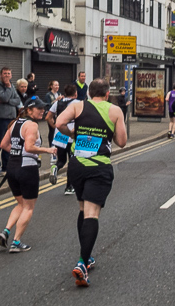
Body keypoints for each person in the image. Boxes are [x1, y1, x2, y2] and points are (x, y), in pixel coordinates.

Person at [54, 78, 128, 286]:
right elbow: (122, 142)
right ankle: (82, 263)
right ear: (106, 94)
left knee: (82, 209)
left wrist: (74, 133)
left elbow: (59, 123)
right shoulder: (114, 111)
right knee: (92, 213)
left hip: (77, 165)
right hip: (99, 166)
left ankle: (86, 256)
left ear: (88, 93)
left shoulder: (77, 106)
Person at [0, 97, 55, 253]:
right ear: (29, 110)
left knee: (21, 204)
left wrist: (17, 153)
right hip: (27, 169)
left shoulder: (14, 123)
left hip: (12, 168)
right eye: (39, 109)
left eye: (43, 108)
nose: (43, 111)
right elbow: (29, 147)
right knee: (29, 207)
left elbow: (3, 145)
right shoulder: (32, 125)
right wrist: (47, 150)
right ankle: (16, 242)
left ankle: (6, 231)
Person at [46, 84, 79, 193]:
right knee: (72, 162)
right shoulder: (78, 103)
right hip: (71, 134)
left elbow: (48, 117)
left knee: (61, 160)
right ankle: (69, 187)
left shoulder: (57, 102)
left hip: (60, 134)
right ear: (75, 93)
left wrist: (55, 126)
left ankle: (55, 167)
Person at [0, 67, 22, 176]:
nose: (7, 75)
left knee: (8, 143)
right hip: (0, 118)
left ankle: (6, 167)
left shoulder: (12, 85)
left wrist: (7, 100)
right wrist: (8, 90)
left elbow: (17, 100)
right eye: (5, 73)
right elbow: (4, 98)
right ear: (0, 75)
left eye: (9, 73)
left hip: (11, 118)